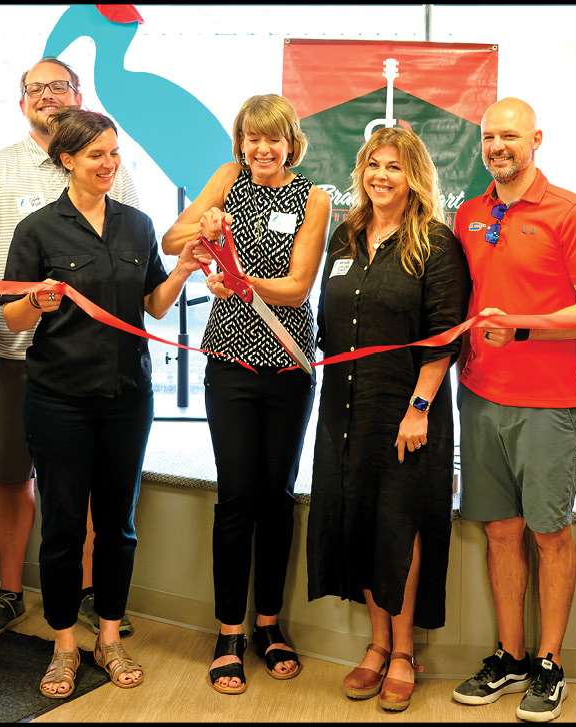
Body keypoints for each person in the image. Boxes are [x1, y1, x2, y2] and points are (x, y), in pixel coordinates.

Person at [1, 108, 209, 698]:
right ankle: (64, 644)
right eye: (96, 155)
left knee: (118, 526)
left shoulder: (137, 225)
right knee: (64, 526)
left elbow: (155, 305)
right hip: (58, 400)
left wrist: (183, 270)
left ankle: (110, 637)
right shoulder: (37, 229)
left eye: (114, 153)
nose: (109, 164)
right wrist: (36, 301)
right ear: (66, 159)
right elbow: (12, 317)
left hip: (126, 398)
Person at [0, 57, 141, 641]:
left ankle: (85, 595)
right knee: (14, 479)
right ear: (22, 102)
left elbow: (132, 254)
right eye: (35, 88)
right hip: (13, 354)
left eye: (59, 86)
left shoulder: (114, 171)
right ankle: (11, 593)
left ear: (78, 95)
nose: (47, 96)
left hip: (94, 361)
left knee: (83, 491)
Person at [448, 97, 576, 724]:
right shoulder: (469, 215)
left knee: (550, 533)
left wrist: (523, 328)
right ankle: (511, 656)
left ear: (536, 140)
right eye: (490, 137)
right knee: (500, 531)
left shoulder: (571, 213)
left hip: (546, 404)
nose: (498, 146)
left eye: (510, 136)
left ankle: (550, 663)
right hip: (479, 396)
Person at [162, 93, 330, 695]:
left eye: (272, 138)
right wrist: (203, 226)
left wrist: (238, 281)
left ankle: (269, 625)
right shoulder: (228, 178)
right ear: (241, 142)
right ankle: (228, 631)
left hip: (288, 361)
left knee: (276, 497)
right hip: (229, 362)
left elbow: (298, 287)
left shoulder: (314, 198)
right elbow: (170, 240)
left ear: (291, 143)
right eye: (252, 138)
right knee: (236, 496)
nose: (262, 149)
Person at [307, 126, 470, 712]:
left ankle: (403, 652)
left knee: (400, 525)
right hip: (345, 406)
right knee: (359, 519)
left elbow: (444, 335)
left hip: (407, 408)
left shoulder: (436, 243)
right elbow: (327, 322)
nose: (381, 175)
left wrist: (419, 407)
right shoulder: (346, 236)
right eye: (373, 165)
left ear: (414, 176)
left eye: (394, 167)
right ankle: (376, 644)